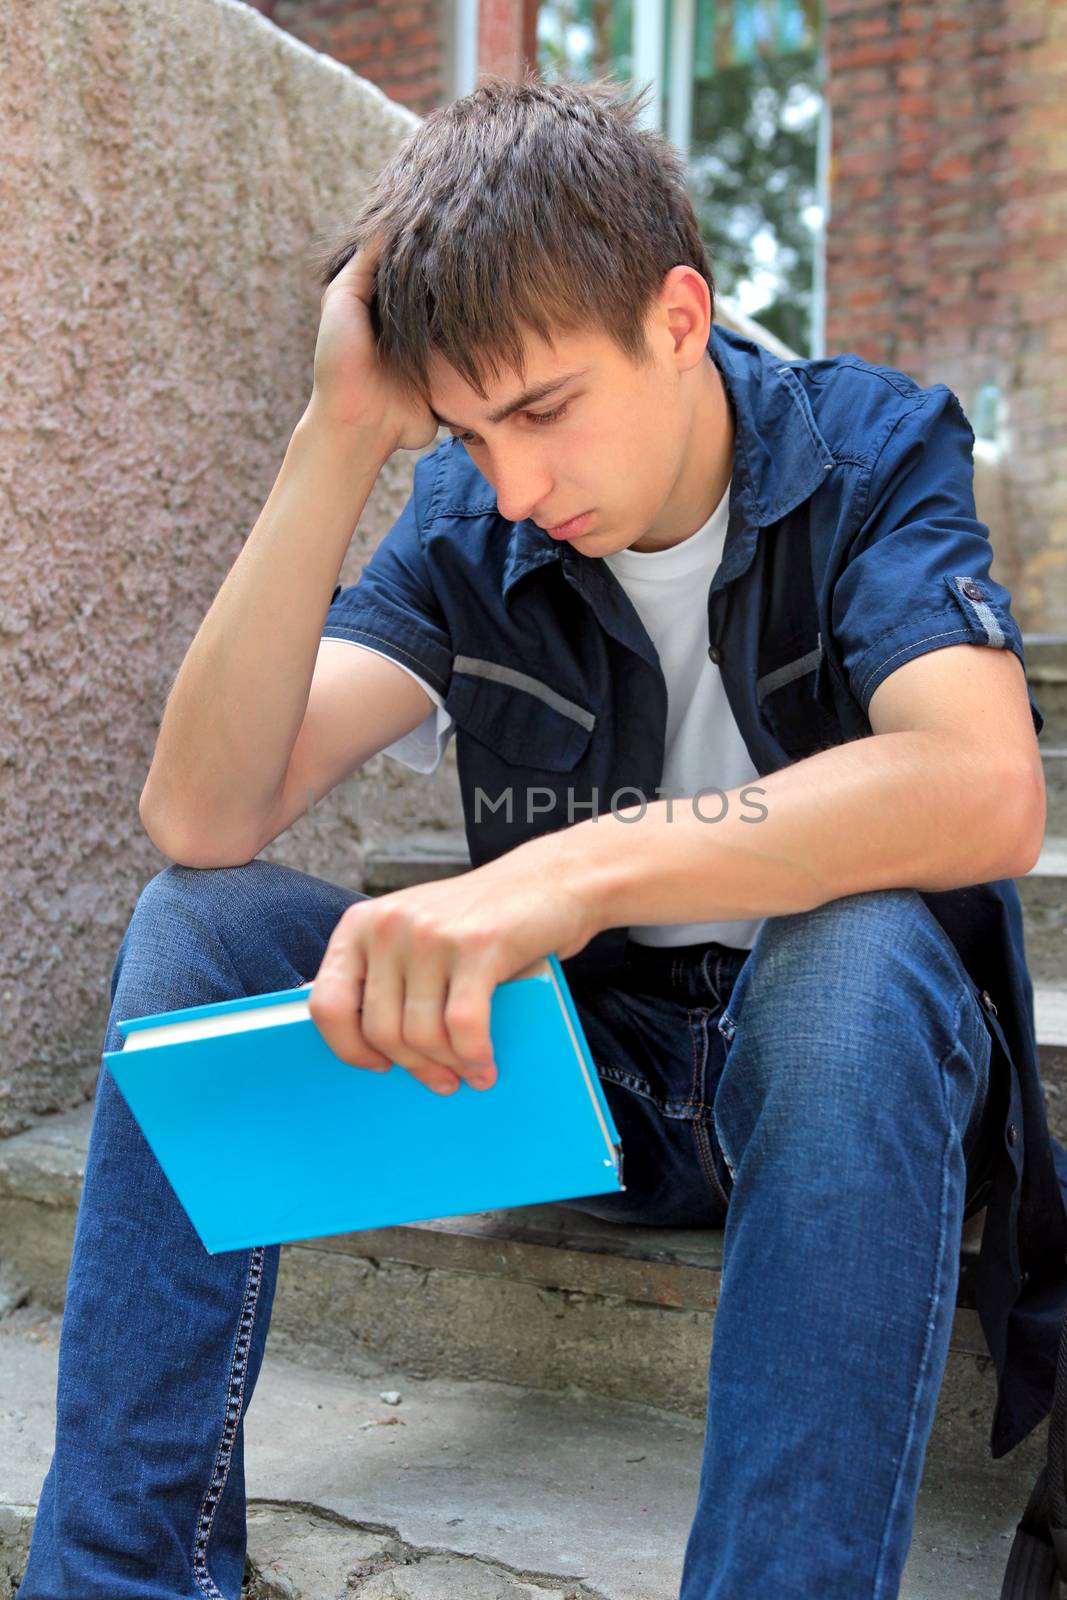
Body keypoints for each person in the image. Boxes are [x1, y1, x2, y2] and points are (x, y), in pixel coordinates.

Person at [17, 71, 1067, 1600]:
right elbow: (203, 809)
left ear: (680, 317)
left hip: (848, 1086)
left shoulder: (871, 449)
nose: (515, 482)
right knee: (199, 921)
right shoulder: (475, 517)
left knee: (856, 952)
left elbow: (982, 787)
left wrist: (560, 875)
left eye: (542, 411)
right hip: (597, 1086)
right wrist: (339, 435)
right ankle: (113, 1582)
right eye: (463, 427)